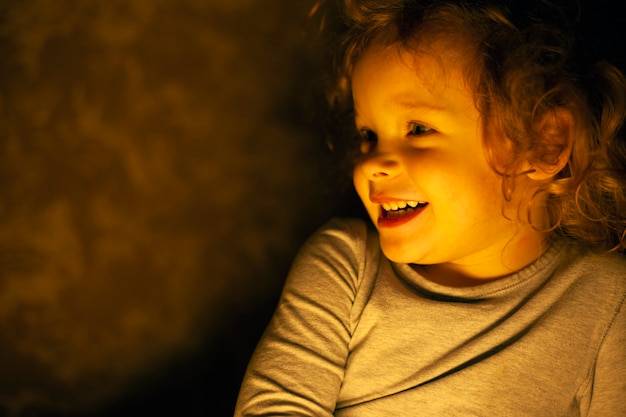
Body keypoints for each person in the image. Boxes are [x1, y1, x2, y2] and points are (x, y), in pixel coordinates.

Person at [234, 0, 626, 415]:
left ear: (544, 141)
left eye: (417, 129)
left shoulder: (608, 302)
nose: (371, 164)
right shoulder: (344, 266)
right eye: (368, 135)